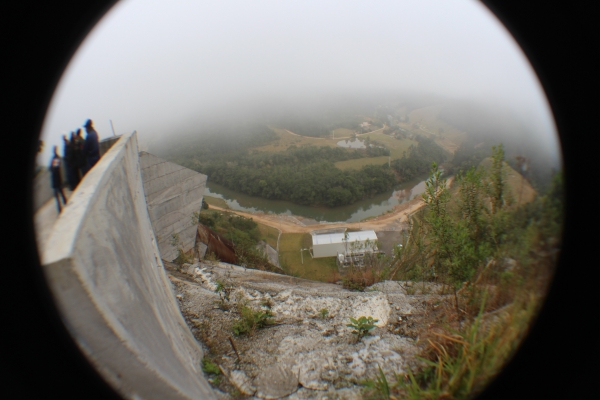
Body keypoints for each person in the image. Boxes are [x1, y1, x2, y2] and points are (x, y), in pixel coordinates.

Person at [50, 145, 67, 213]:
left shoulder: (54, 158)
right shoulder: (56, 158)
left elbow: (53, 169)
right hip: (57, 180)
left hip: (56, 181)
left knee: (58, 195)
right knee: (60, 194)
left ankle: (60, 209)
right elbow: (54, 169)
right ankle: (64, 203)